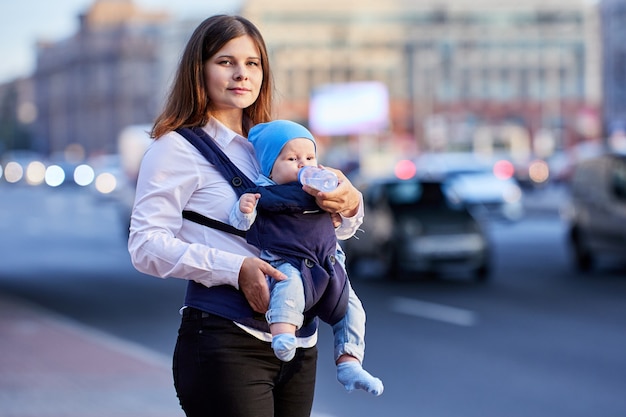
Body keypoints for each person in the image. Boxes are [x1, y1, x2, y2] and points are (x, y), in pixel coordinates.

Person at [127, 15, 372, 417]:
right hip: (225, 338)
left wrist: (348, 204)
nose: (242, 73)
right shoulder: (175, 149)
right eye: (225, 62)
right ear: (199, 70)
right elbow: (145, 246)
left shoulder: (278, 143)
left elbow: (319, 229)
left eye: (253, 63)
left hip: (300, 344)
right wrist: (235, 267)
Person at [228, 119, 383, 395]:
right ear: (269, 167)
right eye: (292, 158)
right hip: (289, 260)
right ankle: (283, 334)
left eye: (310, 157)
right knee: (289, 289)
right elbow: (240, 224)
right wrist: (244, 208)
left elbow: (343, 221)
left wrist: (339, 210)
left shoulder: (321, 190)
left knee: (353, 308)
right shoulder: (263, 192)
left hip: (329, 265)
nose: (303, 164)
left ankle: (350, 361)